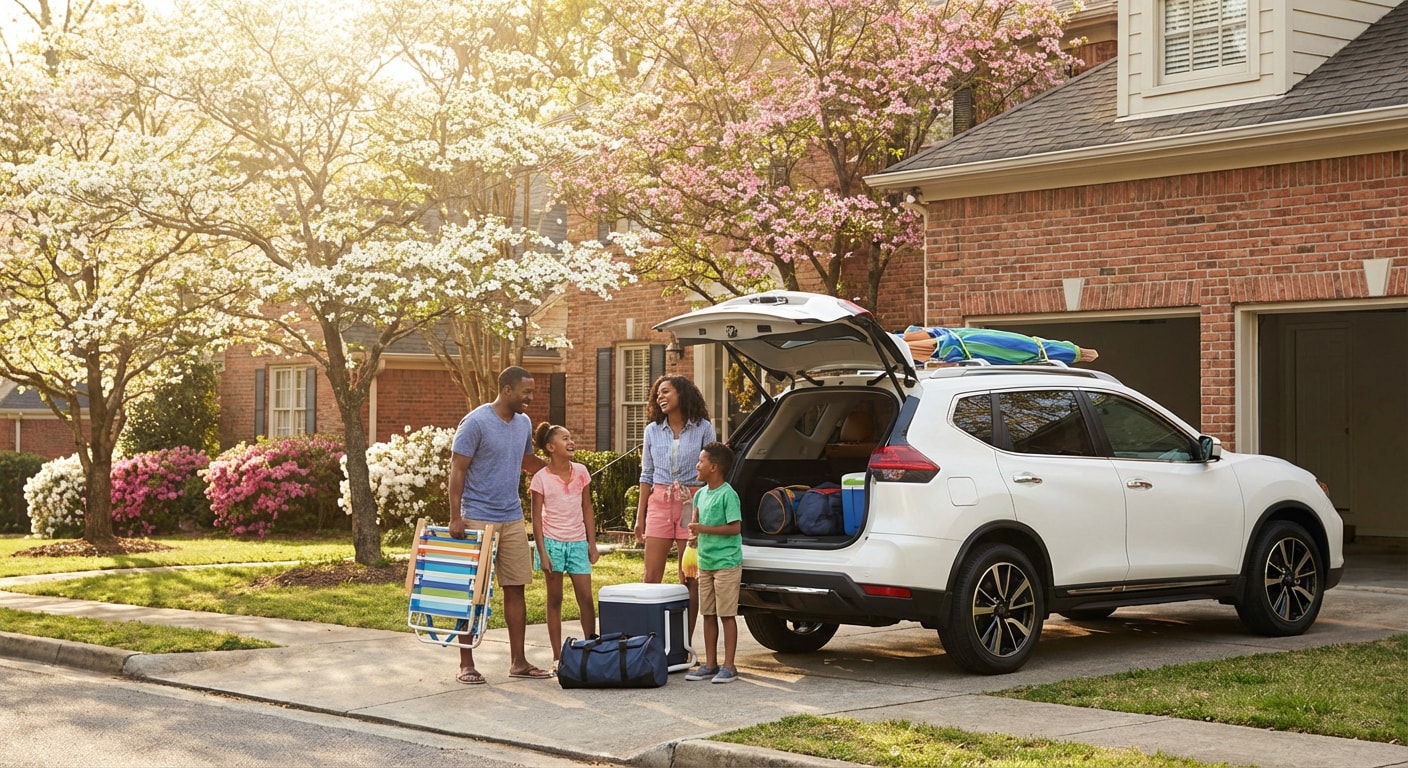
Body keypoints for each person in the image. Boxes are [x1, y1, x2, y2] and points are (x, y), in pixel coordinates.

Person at [447, 366, 552, 685]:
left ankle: (518, 661)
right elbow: (457, 471)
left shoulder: (523, 423)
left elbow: (526, 462)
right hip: (477, 516)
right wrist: (455, 516)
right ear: (507, 390)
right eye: (526, 392)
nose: (531, 398)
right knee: (472, 592)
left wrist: (561, 468)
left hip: (511, 516)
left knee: (515, 587)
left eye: (532, 392)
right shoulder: (476, 422)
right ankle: (466, 663)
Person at [635, 374, 716, 660]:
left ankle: (683, 646)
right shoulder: (652, 431)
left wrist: (701, 505)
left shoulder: (704, 428)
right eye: (657, 394)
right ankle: (648, 643)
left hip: (691, 504)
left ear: (682, 393)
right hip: (659, 501)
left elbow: (713, 470)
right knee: (651, 576)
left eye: (666, 391)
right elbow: (646, 474)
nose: (660, 397)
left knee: (689, 577)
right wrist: (640, 516)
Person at [528, 422, 599, 676]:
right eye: (565, 439)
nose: (571, 442)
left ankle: (592, 648)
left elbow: (587, 509)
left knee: (586, 599)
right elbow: (536, 519)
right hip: (552, 544)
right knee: (555, 599)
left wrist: (592, 543)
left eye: (571, 438)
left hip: (578, 542)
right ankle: (558, 657)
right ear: (550, 447)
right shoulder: (540, 479)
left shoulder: (581, 471)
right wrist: (543, 553)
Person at [683, 441, 743, 684]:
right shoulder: (701, 494)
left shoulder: (728, 495)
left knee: (726, 615)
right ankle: (710, 664)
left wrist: (703, 528)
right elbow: (697, 528)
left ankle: (729, 666)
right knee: (708, 613)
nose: (697, 465)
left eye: (701, 461)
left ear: (714, 467)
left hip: (727, 563)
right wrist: (694, 536)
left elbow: (735, 528)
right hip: (705, 562)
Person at [897, 326, 1099, 366]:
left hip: (958, 339)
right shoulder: (1029, 350)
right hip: (957, 340)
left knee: (898, 344)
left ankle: (890, 342)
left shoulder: (1030, 348)